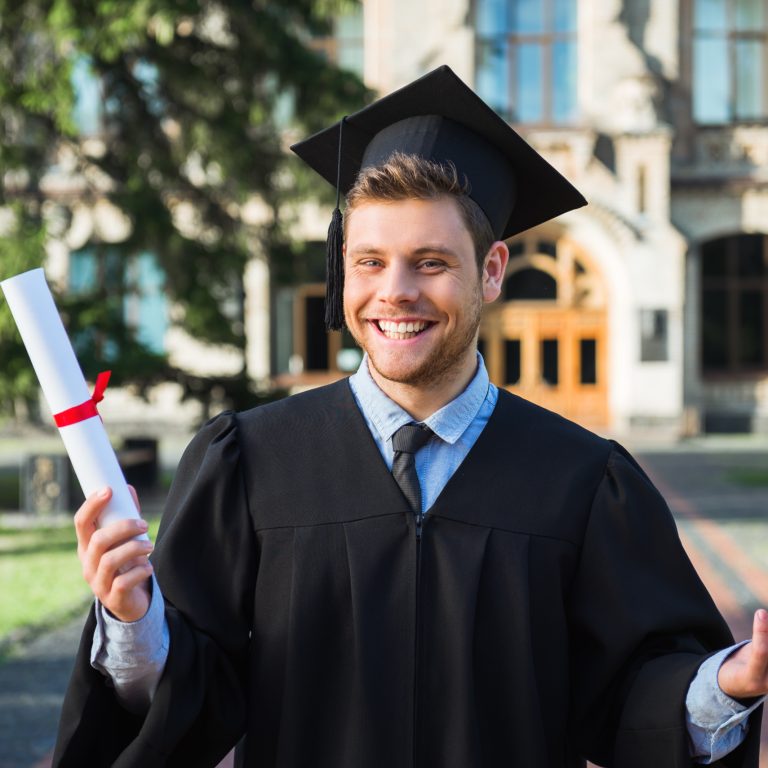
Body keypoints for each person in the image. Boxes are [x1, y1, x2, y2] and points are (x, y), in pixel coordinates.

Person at [54, 66, 767, 768]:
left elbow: (629, 697)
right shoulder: (254, 462)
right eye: (368, 262)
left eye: (429, 263)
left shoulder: (582, 480)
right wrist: (131, 622)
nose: (393, 292)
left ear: (491, 271)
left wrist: (725, 685)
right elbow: (194, 701)